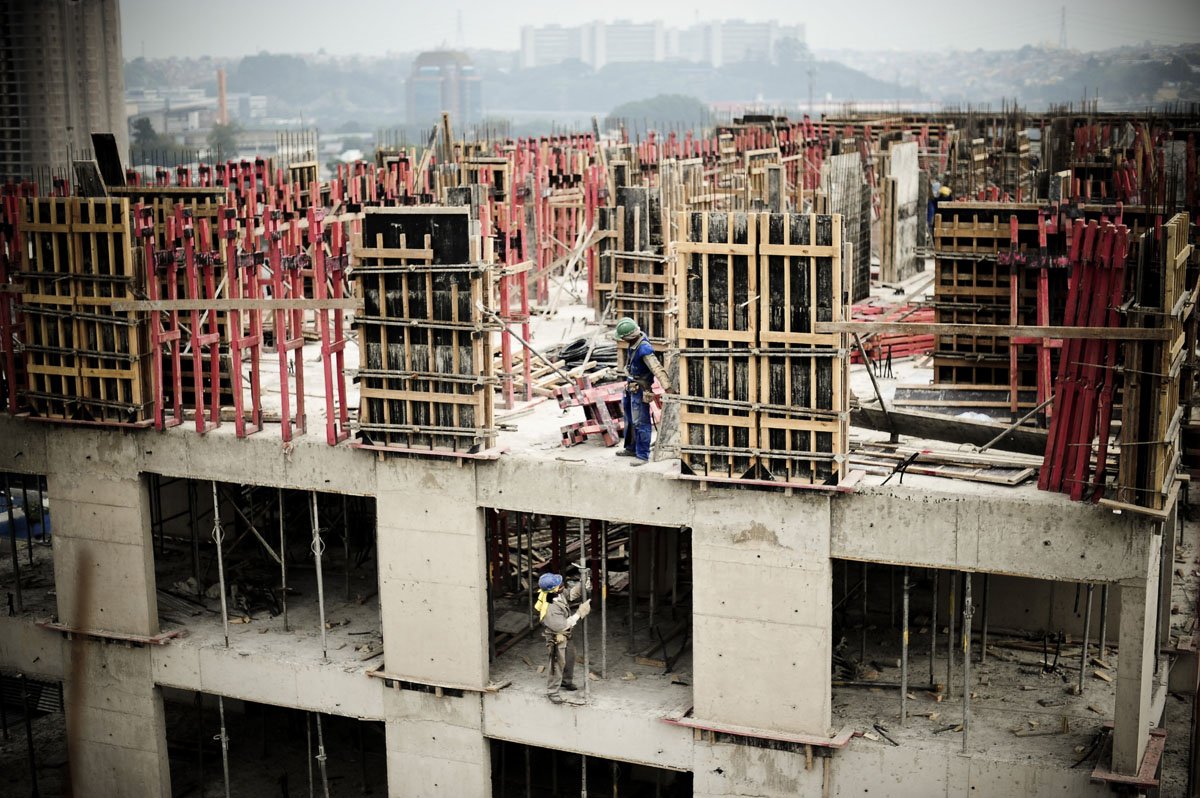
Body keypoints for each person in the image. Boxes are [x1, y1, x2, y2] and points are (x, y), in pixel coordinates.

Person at [614, 317, 671, 466]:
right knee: (630, 419)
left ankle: (643, 455)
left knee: (641, 421)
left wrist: (668, 387)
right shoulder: (634, 342)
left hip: (640, 390)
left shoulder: (644, 349)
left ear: (629, 337)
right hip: (631, 387)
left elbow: (656, 368)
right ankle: (631, 448)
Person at [537, 572, 591, 704]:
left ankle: (566, 682)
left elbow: (570, 594)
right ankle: (552, 691)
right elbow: (562, 626)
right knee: (557, 663)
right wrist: (579, 613)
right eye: (560, 584)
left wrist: (582, 584)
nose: (563, 585)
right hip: (556, 637)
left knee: (570, 657)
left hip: (565, 634)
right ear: (555, 588)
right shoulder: (551, 606)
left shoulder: (556, 594)